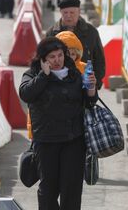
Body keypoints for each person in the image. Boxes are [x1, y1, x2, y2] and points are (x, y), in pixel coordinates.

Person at [19, 37, 98, 210]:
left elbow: (88, 102)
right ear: (43, 59)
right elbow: (25, 94)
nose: (57, 60)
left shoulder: (73, 73)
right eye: (52, 57)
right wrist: (43, 76)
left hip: (74, 140)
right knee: (48, 190)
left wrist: (92, 89)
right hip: (46, 141)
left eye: (60, 55)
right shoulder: (33, 73)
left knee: (72, 190)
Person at [46, 0, 106, 89]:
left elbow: (99, 60)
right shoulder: (52, 33)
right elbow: (44, 58)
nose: (69, 16)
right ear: (60, 12)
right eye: (65, 13)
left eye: (72, 13)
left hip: (85, 84)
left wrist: (95, 83)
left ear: (79, 12)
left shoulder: (90, 32)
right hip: (58, 85)